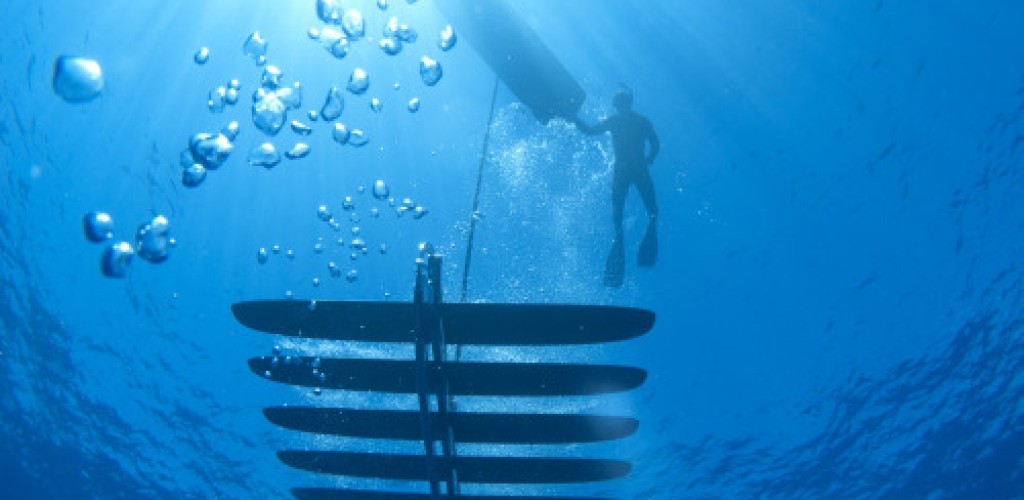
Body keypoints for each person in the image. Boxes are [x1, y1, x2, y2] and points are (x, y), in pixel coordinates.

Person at [573, 87, 660, 286]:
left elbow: (589, 131)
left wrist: (573, 117)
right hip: (638, 169)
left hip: (624, 170)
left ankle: (620, 237)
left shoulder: (617, 121)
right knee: (652, 211)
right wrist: (651, 157)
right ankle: (627, 235)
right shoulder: (640, 121)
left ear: (621, 104)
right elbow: (655, 142)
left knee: (622, 214)